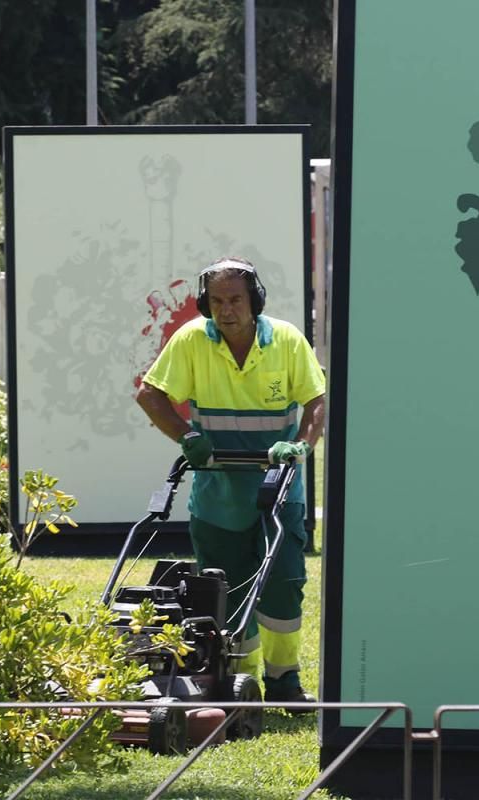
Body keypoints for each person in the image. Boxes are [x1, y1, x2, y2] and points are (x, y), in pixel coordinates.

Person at [135, 256, 326, 706]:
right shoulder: (192, 342)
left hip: (278, 490)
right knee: (225, 589)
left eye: (236, 299)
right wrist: (187, 436)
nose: (227, 310)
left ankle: (285, 681)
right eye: (217, 301)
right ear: (206, 304)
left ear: (254, 300)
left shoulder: (285, 340)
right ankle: (239, 682)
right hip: (217, 493)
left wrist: (299, 446)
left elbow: (316, 401)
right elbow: (151, 395)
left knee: (282, 584)